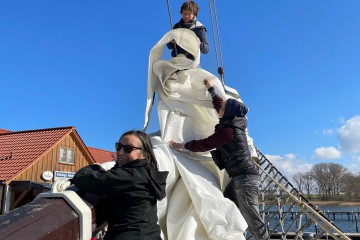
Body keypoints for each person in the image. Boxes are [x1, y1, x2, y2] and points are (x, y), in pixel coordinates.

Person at [169, 78, 269, 240]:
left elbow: (206, 144)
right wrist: (211, 88)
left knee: (252, 218)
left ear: (228, 112)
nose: (219, 108)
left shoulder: (228, 131)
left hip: (245, 179)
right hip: (239, 177)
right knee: (226, 207)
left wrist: (182, 145)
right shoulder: (233, 121)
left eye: (223, 108)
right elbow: (219, 103)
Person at [72, 130, 169, 240]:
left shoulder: (130, 176)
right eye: (119, 147)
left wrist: (94, 167)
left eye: (128, 149)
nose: (121, 152)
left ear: (144, 154)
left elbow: (82, 178)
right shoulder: (145, 173)